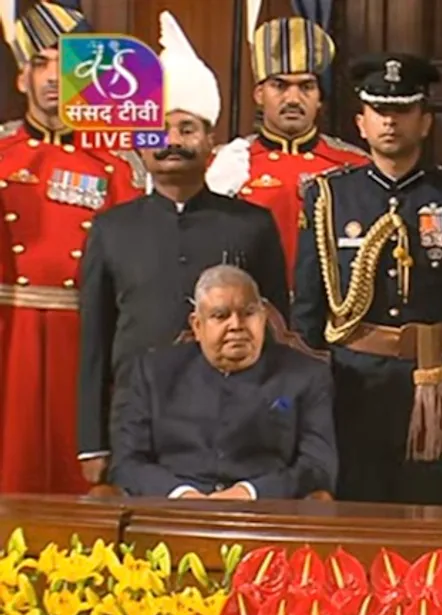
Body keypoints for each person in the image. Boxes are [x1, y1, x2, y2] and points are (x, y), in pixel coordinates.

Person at [77, 12, 290, 487]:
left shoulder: (252, 225)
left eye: (187, 129)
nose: (172, 141)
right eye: (159, 129)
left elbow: (280, 334)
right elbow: (93, 342)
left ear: (210, 139)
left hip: (237, 423)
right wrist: (91, 441)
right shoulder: (111, 229)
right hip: (134, 424)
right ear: (138, 141)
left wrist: (281, 424)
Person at [293, 52, 442, 505]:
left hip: (431, 382)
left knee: (430, 509)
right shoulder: (329, 196)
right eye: (380, 111)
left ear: (426, 122)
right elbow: (309, 311)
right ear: (361, 123)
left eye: (403, 111)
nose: (390, 122)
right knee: (355, 507)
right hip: (351, 382)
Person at [0, 2, 145, 495]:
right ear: (22, 78)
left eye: (65, 64)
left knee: (75, 473)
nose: (51, 77)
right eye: (40, 63)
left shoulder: (115, 162)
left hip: (83, 335)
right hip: (9, 330)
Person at [110, 265, 337, 499]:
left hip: (265, 513)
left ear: (263, 318)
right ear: (197, 325)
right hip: (173, 512)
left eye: (248, 313)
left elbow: (318, 468)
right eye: (220, 316)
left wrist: (249, 493)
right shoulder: (153, 374)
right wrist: (181, 495)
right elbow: (126, 464)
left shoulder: (305, 375)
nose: (236, 325)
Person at [204, 13, 368, 286]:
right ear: (259, 95)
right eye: (279, 85)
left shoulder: (355, 165)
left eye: (306, 86)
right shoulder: (223, 165)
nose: (293, 98)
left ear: (319, 98)